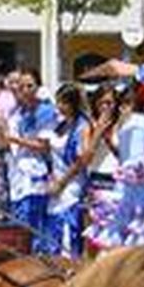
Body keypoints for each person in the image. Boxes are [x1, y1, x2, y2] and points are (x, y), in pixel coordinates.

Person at [84, 80, 144, 252]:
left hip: (138, 194)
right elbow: (134, 166)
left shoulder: (136, 123)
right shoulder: (140, 123)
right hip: (141, 198)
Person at [0, 68, 56, 253]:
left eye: (29, 86)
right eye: (21, 86)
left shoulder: (45, 111)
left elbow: (44, 146)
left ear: (38, 87)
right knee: (20, 221)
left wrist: (13, 139)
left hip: (37, 174)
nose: (25, 90)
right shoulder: (19, 113)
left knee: (35, 223)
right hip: (18, 174)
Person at [44, 83, 93, 258]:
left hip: (71, 184)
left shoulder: (82, 126)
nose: (59, 107)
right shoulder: (61, 125)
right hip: (56, 182)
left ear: (73, 104)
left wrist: (62, 182)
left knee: (68, 229)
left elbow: (82, 159)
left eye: (63, 103)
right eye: (58, 102)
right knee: (53, 228)